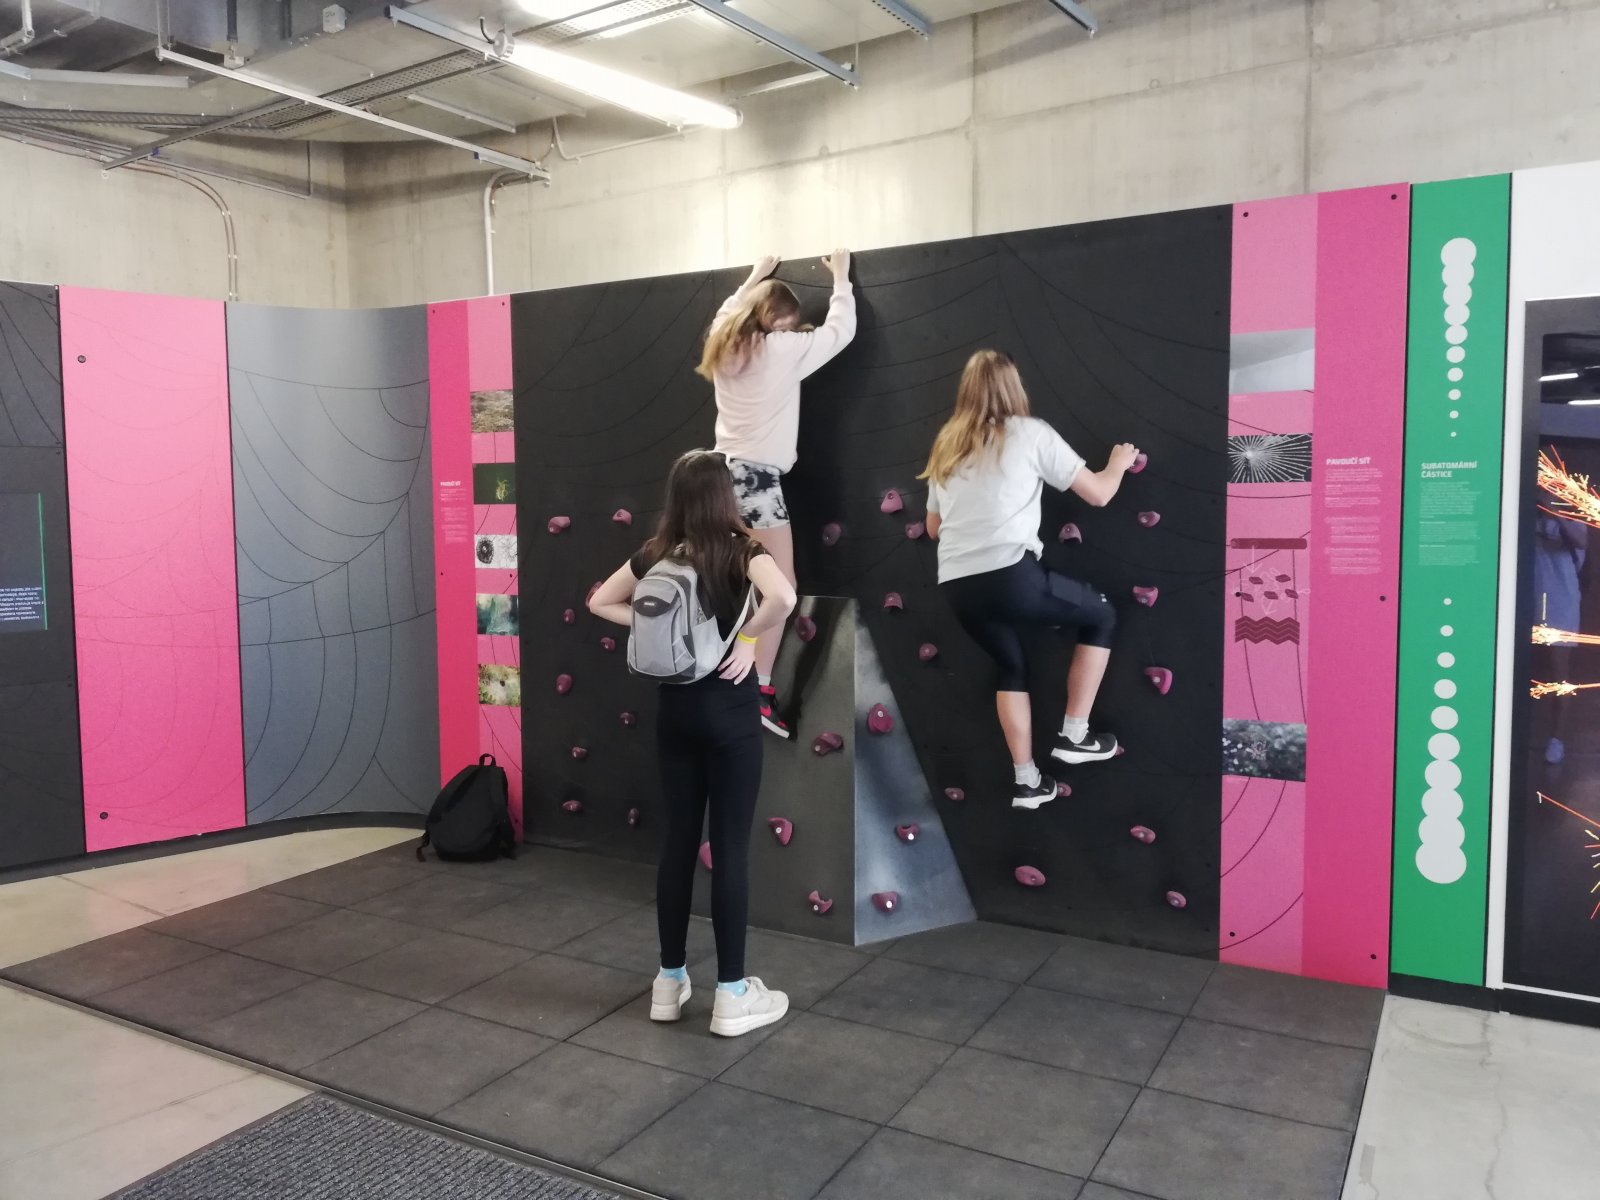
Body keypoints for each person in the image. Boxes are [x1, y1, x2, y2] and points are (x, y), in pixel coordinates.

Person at [588, 450, 798, 1037]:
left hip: (674, 716)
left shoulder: (656, 552)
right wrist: (747, 641)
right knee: (729, 849)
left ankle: (668, 982)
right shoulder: (741, 551)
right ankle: (731, 994)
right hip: (730, 717)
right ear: (724, 496)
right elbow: (783, 599)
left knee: (678, 844)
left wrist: (660, 628)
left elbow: (599, 602)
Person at [920, 350, 1139, 809]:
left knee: (1011, 666)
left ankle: (1028, 782)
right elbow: (1099, 494)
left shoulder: (947, 443)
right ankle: (1075, 736)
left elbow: (933, 528)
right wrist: (1118, 463)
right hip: (1010, 576)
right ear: (1014, 386)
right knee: (1100, 615)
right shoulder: (1028, 432)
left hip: (957, 586)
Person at [697, 249, 857, 738]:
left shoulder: (722, 344)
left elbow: (728, 310)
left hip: (719, 480)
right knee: (780, 587)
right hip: (757, 482)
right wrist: (842, 280)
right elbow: (840, 332)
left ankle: (735, 682)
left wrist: (753, 277)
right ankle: (758, 691)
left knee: (748, 584)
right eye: (787, 323)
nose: (791, 329)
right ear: (775, 321)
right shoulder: (782, 350)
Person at [1533, 508, 1588, 764]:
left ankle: (1557, 739)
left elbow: (1581, 541)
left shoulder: (1572, 513)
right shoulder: (1528, 512)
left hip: (1561, 600)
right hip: (1531, 597)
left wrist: (1554, 513)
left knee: (1558, 671)